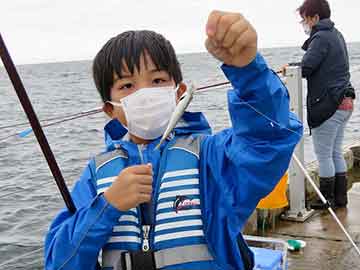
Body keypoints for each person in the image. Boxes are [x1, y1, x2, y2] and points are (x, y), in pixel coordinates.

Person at [44, 10, 302, 270]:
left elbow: (269, 138)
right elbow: (59, 262)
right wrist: (106, 206)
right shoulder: (96, 175)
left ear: (178, 93)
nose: (144, 93)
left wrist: (248, 72)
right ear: (110, 109)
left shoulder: (211, 159)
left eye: (157, 80)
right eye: (127, 86)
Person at [296, 0, 355, 210]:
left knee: (323, 155)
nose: (303, 23)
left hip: (330, 104)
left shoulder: (320, 37)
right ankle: (340, 199)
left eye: (305, 18)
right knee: (335, 152)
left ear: (315, 18)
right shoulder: (336, 34)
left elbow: (306, 67)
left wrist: (291, 68)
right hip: (345, 102)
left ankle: (326, 200)